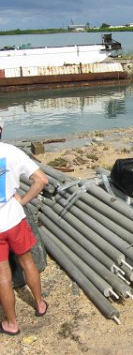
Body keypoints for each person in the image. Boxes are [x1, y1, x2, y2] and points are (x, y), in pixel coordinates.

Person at [0, 141, 49, 335]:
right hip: (14, 219)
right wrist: (23, 200)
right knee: (28, 262)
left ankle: (12, 323)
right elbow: (42, 180)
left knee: (2, 275)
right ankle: (39, 304)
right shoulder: (11, 151)